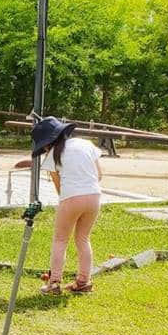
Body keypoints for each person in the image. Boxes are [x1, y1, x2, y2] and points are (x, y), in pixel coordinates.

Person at [19, 117, 104, 295]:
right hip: (95, 196)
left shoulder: (52, 156)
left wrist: (69, 204)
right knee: (83, 238)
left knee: (60, 240)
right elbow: (99, 174)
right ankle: (84, 282)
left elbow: (60, 188)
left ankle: (54, 283)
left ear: (46, 144)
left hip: (71, 198)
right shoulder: (85, 144)